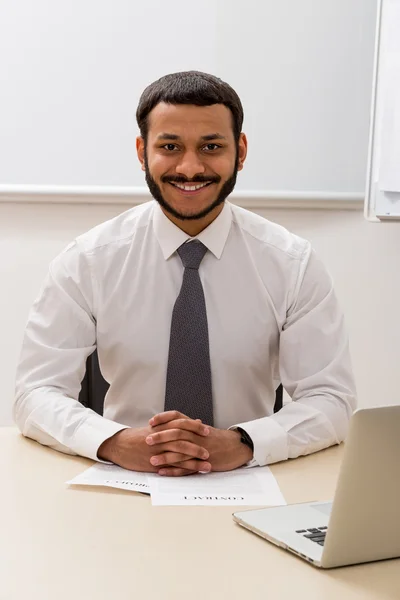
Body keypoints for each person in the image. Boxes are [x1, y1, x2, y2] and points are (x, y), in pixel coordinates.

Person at [14, 71, 356, 477]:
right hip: (124, 477)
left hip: (249, 476)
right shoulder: (88, 260)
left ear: (240, 151)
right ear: (142, 152)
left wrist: (245, 443)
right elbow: (34, 393)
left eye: (211, 146)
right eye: (170, 146)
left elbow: (331, 399)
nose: (190, 167)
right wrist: (114, 441)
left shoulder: (292, 263)